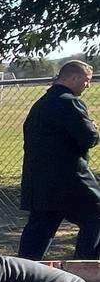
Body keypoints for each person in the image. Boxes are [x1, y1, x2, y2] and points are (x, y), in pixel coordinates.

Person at [18, 60, 100, 259]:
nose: (88, 85)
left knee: (40, 227)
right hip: (69, 178)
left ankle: (22, 274)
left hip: (39, 179)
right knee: (97, 216)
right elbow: (88, 137)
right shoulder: (69, 101)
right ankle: (85, 267)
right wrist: (94, 128)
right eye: (87, 80)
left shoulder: (42, 104)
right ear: (74, 78)